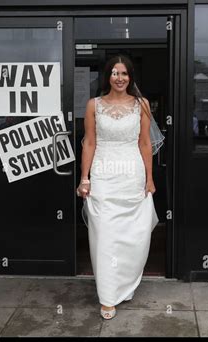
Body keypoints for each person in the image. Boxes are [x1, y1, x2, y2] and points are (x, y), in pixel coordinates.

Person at [76, 55, 159, 320]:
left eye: (124, 73)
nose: (120, 78)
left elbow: (145, 143)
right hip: (103, 174)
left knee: (134, 235)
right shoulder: (94, 105)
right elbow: (89, 142)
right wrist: (84, 178)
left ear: (130, 77)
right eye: (115, 73)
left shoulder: (142, 105)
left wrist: (149, 178)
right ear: (107, 76)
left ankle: (124, 284)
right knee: (105, 236)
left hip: (131, 174)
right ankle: (108, 296)